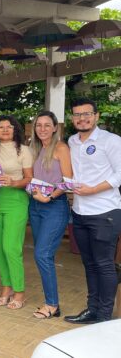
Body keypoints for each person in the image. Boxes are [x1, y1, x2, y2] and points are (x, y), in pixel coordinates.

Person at [65, 98, 121, 324]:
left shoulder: (111, 140)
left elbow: (119, 174)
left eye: (87, 114)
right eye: (77, 115)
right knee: (89, 264)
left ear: (96, 116)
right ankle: (92, 309)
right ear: (72, 118)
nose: (82, 118)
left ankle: (104, 317)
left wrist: (93, 189)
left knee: (104, 264)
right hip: (80, 212)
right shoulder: (72, 141)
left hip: (105, 212)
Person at [28, 110, 73, 320]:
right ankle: (52, 302)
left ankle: (52, 304)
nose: (42, 129)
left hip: (54, 207)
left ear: (55, 127)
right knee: (45, 255)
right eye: (39, 125)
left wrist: (50, 197)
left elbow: (68, 181)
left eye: (47, 125)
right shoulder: (36, 149)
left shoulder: (61, 148)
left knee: (42, 254)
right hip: (36, 207)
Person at [0, 115, 33, 310]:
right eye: (1, 127)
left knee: (11, 247)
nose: (5, 130)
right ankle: (6, 287)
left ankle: (19, 291)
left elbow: (29, 178)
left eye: (9, 127)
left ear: (15, 129)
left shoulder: (24, 150)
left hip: (16, 200)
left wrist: (14, 182)